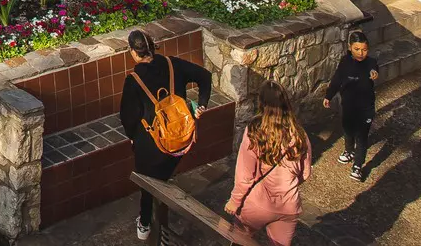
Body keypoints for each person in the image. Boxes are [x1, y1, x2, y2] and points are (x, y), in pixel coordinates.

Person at [119, 29, 213, 242]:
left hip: (153, 145)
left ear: (133, 52)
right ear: (152, 46)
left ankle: (145, 224)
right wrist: (202, 105)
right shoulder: (173, 65)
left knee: (147, 182)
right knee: (162, 175)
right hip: (181, 137)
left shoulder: (133, 81)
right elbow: (205, 76)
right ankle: (161, 200)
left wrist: (133, 137)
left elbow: (128, 117)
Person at [226, 83, 309, 245]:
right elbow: (305, 174)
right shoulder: (300, 133)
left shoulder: (254, 131)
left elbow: (245, 175)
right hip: (288, 206)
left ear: (261, 103)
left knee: (239, 240)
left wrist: (234, 201)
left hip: (257, 205)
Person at [323, 30, 379, 182]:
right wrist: (329, 95)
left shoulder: (371, 62)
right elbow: (336, 80)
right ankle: (349, 151)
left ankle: (358, 166)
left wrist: (374, 73)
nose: (361, 53)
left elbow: (374, 70)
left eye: (364, 49)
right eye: (357, 49)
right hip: (348, 105)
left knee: (361, 137)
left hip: (366, 107)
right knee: (348, 130)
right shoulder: (344, 62)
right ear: (349, 48)